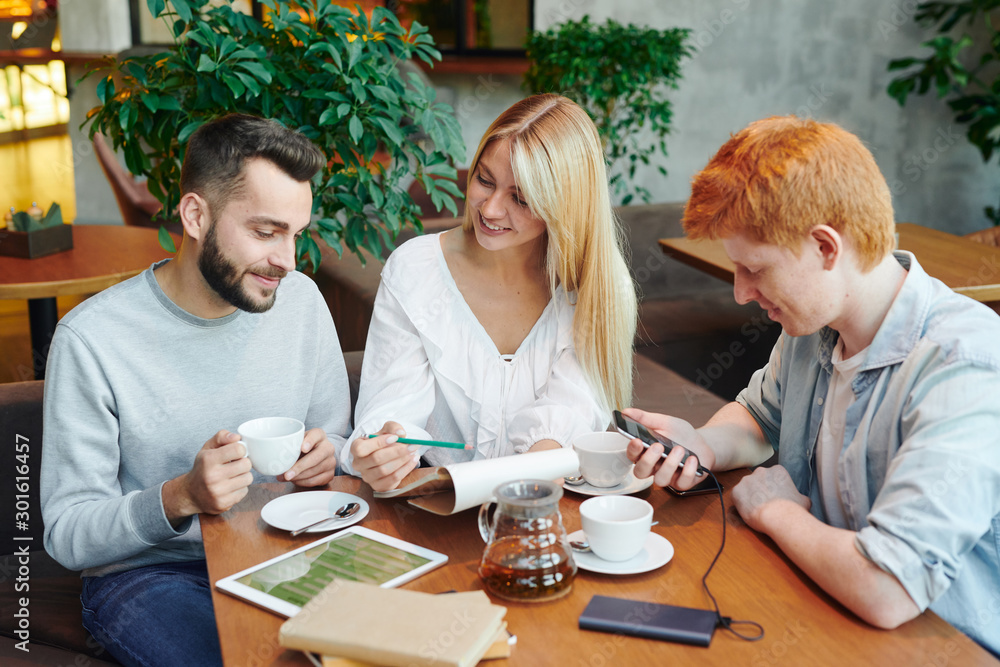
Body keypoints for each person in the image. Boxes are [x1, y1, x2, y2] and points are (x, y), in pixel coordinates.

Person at [624, 115, 1000, 655]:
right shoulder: (816, 325)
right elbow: (759, 418)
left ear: (826, 247)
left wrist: (777, 511)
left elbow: (888, 588)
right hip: (823, 609)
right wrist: (701, 443)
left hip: (941, 644)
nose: (740, 293)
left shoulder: (967, 364)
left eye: (754, 269)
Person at [40, 114, 352, 667]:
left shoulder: (301, 302)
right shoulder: (92, 339)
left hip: (287, 548)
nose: (287, 260)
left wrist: (327, 458)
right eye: (265, 232)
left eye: (295, 234)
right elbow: (68, 533)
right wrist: (180, 495)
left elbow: (338, 436)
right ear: (195, 215)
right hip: (152, 574)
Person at [344, 93, 637, 491]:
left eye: (520, 198)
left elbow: (567, 420)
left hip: (542, 505)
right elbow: (391, 410)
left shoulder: (599, 288)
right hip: (431, 505)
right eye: (484, 180)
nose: (491, 209)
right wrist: (383, 450)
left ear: (566, 206)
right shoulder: (415, 270)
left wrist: (510, 499)